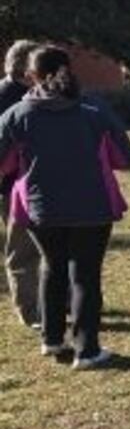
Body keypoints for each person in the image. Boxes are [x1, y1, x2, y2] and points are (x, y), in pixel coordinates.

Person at [0, 46, 130, 369]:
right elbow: (125, 156)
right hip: (92, 206)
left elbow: (3, 163)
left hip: (41, 209)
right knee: (85, 276)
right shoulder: (93, 110)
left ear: (30, 76)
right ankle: (87, 350)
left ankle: (52, 337)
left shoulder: (18, 114)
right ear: (70, 71)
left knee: (51, 267)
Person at [0, 40, 42, 327]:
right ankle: (30, 310)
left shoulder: (31, 95)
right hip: (15, 186)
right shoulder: (8, 97)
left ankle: (53, 300)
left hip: (37, 183)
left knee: (47, 247)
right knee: (23, 250)